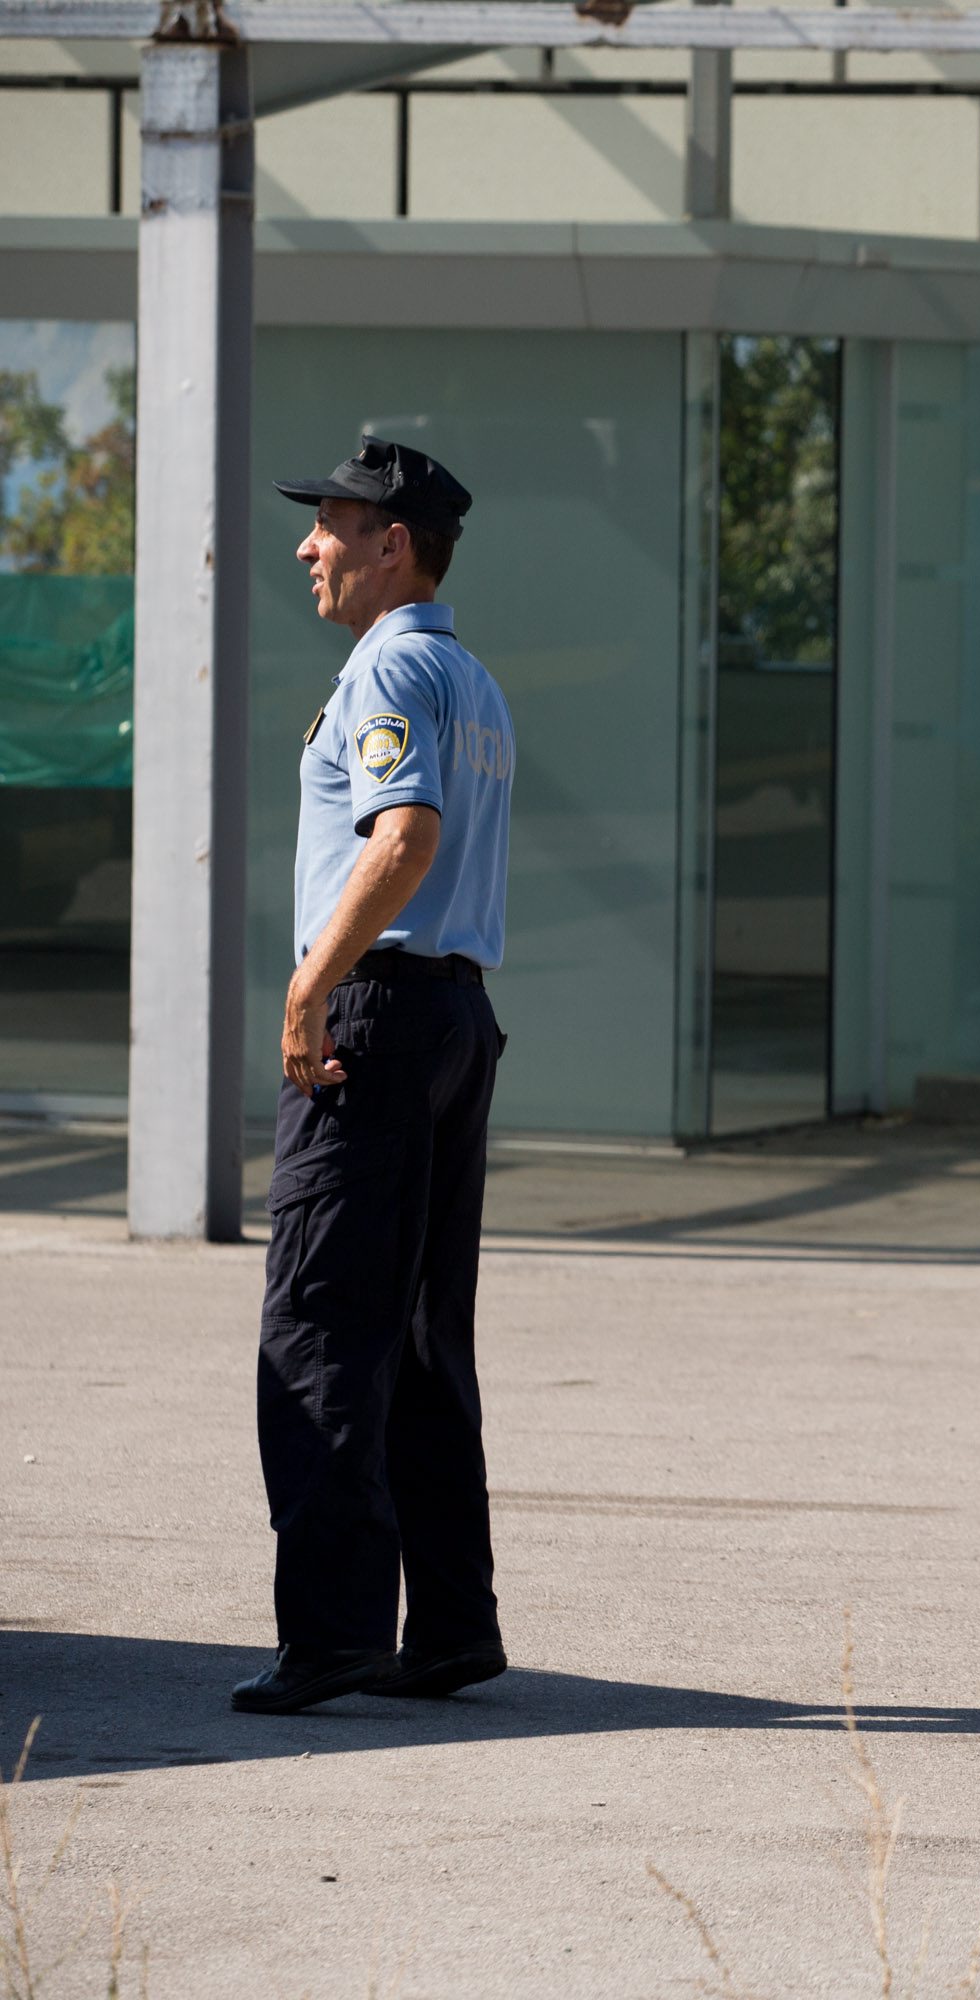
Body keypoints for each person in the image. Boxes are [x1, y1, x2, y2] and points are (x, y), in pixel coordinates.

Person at [234, 437, 516, 1716]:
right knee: (415, 1334)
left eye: (333, 523)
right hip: (451, 1014)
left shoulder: (393, 664)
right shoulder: (469, 674)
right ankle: (449, 1623)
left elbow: (404, 836)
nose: (310, 544)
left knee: (319, 1322)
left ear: (394, 542)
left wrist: (308, 985)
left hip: (377, 1013)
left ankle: (334, 1631)